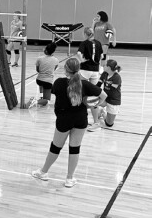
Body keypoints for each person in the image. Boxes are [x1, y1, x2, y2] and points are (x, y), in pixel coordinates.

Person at [31, 58, 107, 188]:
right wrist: (92, 105)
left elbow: (56, 94)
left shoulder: (59, 83)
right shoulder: (85, 84)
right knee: (74, 149)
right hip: (80, 119)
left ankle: (43, 172)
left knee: (55, 147)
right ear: (78, 69)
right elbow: (104, 96)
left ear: (66, 69)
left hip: (64, 119)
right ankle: (69, 179)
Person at [88, 60, 122, 132]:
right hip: (105, 98)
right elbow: (98, 85)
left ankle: (103, 112)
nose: (103, 66)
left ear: (109, 67)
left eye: (105, 65)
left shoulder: (117, 77)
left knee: (109, 124)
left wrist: (101, 96)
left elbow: (111, 91)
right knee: (93, 102)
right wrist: (92, 92)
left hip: (113, 100)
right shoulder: (104, 74)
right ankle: (96, 122)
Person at [30, 43, 59, 107]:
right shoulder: (56, 60)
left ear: (45, 50)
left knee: (42, 84)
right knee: (47, 100)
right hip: (48, 81)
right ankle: (35, 101)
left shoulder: (39, 58)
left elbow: (38, 70)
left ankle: (40, 97)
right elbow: (53, 69)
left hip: (39, 79)